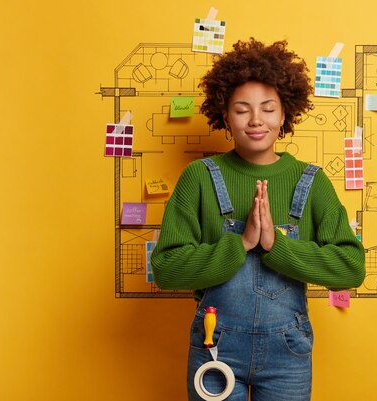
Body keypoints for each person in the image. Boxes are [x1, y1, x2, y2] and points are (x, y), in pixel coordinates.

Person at [151, 38, 365, 401]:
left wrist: (275, 245)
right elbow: (167, 269)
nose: (255, 120)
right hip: (215, 347)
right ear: (224, 115)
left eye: (267, 109)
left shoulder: (310, 182)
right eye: (241, 109)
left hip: (288, 355)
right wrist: (241, 243)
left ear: (284, 115)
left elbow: (350, 268)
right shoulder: (199, 177)